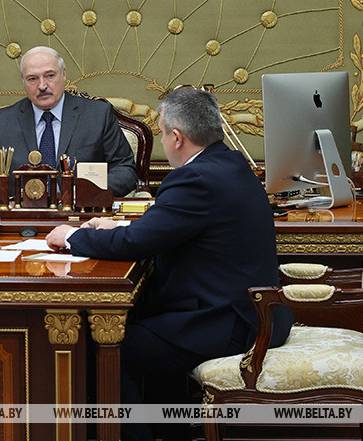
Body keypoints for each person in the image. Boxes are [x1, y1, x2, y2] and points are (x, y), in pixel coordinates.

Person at [46, 87, 293, 441]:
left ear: (177, 138)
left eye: (162, 134)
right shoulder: (229, 163)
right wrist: (119, 227)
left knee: (107, 350)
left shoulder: (195, 179)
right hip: (251, 312)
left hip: (229, 322)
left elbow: (137, 244)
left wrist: (71, 237)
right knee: (141, 328)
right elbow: (166, 226)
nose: (163, 142)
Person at [0, 46, 138, 196]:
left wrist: (84, 192)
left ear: (63, 75)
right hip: (22, 214)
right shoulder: (4, 121)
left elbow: (126, 171)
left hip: (81, 214)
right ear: (23, 82)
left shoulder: (97, 115)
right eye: (32, 79)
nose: (42, 86)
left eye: (49, 76)